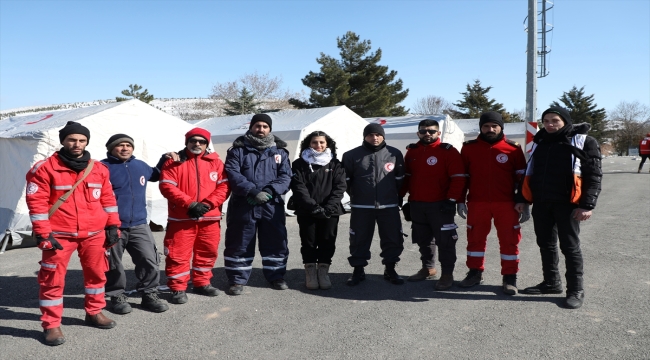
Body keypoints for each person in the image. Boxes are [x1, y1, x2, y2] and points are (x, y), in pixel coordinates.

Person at [25, 121, 119, 346]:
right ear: (63, 141)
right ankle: (51, 324)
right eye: (72, 139)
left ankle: (94, 311)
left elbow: (107, 199)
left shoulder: (99, 169)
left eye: (82, 140)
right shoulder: (44, 168)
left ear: (87, 142)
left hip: (94, 233)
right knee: (52, 280)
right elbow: (36, 203)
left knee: (97, 275)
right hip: (59, 235)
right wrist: (43, 233)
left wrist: (113, 225)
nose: (77, 144)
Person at [515, 106, 602, 309]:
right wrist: (522, 198)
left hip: (569, 205)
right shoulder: (540, 141)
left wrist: (587, 205)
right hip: (542, 203)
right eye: (546, 121)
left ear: (565, 121)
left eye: (555, 120)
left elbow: (594, 175)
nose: (550, 124)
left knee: (570, 248)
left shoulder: (583, 141)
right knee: (545, 244)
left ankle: (575, 289)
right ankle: (551, 283)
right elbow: (530, 171)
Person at [457, 111, 528, 295]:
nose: (490, 129)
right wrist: (460, 200)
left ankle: (510, 277)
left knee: (510, 241)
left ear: (501, 127)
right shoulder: (469, 148)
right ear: (481, 127)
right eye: (486, 126)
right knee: (475, 240)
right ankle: (474, 273)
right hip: (477, 203)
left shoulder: (513, 149)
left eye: (494, 126)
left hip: (506, 204)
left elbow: (522, 178)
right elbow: (462, 177)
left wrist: (524, 201)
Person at [101, 134, 172, 314]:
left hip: (139, 223)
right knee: (113, 263)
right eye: (120, 145)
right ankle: (117, 296)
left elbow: (155, 174)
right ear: (110, 148)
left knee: (149, 259)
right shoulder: (102, 168)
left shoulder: (139, 165)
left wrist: (165, 159)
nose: (125, 148)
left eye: (128, 145)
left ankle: (149, 294)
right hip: (112, 225)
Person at [159, 128, 230, 305]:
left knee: (207, 252)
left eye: (201, 141)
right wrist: (190, 204)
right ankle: (177, 287)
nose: (197, 144)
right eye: (193, 140)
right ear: (187, 142)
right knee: (177, 254)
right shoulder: (173, 162)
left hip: (209, 218)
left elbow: (224, 187)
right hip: (181, 218)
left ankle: (202, 282)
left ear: (207, 144)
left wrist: (206, 205)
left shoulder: (216, 163)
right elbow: (167, 186)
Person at [223, 114, 292, 295]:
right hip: (243, 204)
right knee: (240, 242)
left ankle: (276, 276)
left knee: (275, 241)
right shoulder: (237, 151)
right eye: (257, 126)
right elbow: (232, 173)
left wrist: (269, 192)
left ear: (270, 129)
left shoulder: (280, 152)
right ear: (251, 127)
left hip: (272, 205)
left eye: (264, 126)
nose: (260, 129)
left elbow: (285, 176)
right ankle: (237, 280)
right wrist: (252, 191)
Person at [399, 119, 465, 290]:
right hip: (417, 204)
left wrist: (452, 200)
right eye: (423, 131)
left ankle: (447, 274)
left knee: (446, 241)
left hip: (440, 205)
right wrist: (399, 196)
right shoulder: (412, 152)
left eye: (431, 131)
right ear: (418, 133)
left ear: (438, 133)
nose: (427, 134)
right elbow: (407, 177)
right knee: (424, 240)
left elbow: (458, 178)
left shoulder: (448, 152)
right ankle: (428, 268)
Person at [342, 123, 406, 286]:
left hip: (388, 206)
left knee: (392, 238)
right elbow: (346, 181)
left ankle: (390, 269)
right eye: (370, 134)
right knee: (358, 239)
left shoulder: (394, 153)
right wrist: (358, 195)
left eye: (378, 134)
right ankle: (358, 270)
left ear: (383, 136)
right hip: (362, 207)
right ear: (365, 136)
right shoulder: (351, 155)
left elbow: (400, 179)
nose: (374, 137)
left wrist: (392, 195)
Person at [290, 131, 346, 290]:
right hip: (307, 210)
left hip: (331, 211)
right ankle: (310, 273)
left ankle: (323, 272)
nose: (318, 145)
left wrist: (328, 208)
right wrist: (313, 207)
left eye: (322, 142)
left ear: (327, 144)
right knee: (308, 242)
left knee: (327, 241)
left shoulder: (336, 163)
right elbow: (298, 187)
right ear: (309, 143)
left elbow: (340, 187)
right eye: (315, 142)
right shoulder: (299, 164)